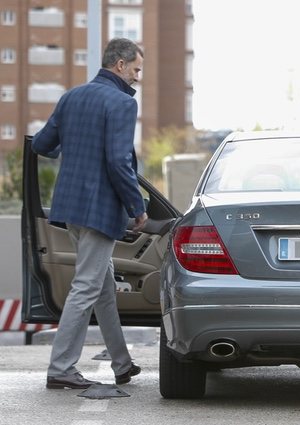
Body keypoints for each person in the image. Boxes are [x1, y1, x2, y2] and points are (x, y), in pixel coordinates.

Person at [33, 38, 148, 390]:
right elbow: (118, 162)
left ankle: (122, 363)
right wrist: (137, 206)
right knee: (86, 287)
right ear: (120, 65)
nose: (137, 77)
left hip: (70, 207)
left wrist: (76, 146)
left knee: (101, 287)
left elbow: (41, 145)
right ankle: (61, 368)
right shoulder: (121, 103)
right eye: (136, 69)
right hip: (100, 209)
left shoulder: (72, 96)